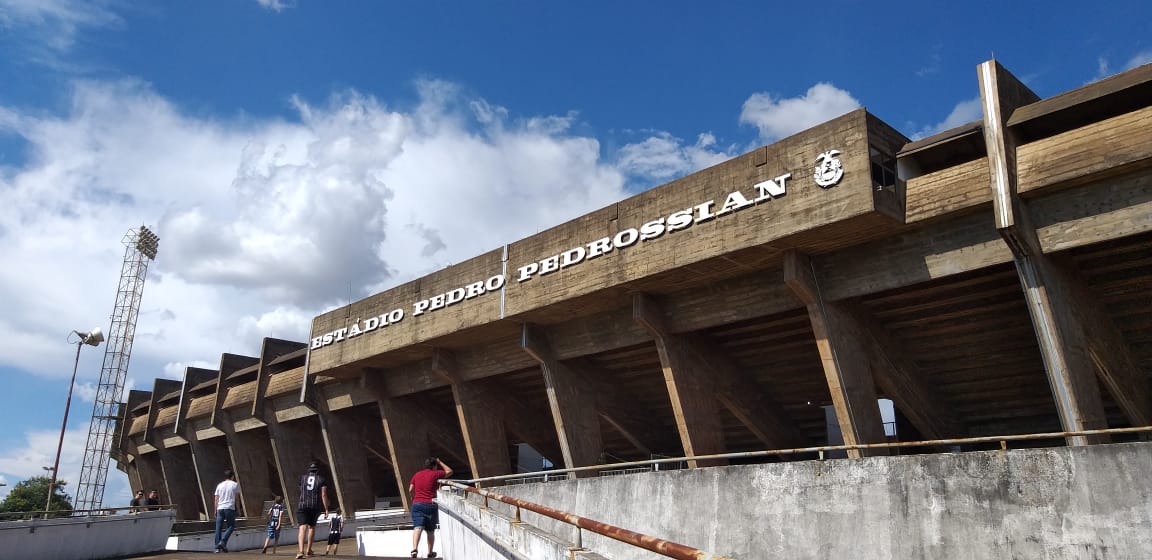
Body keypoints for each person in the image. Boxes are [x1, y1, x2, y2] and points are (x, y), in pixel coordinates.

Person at [408, 457, 452, 559]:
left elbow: (410, 489)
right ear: (434, 466)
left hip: (417, 504)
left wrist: (413, 498)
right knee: (430, 531)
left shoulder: (417, 474)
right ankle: (430, 552)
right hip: (430, 504)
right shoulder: (435, 474)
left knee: (417, 527)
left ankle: (414, 549)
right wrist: (440, 461)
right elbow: (450, 471)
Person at [295, 461, 329, 559]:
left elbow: (301, 489)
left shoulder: (302, 478)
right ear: (317, 471)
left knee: (302, 527)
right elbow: (323, 494)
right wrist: (326, 509)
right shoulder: (321, 480)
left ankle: (300, 551)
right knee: (312, 527)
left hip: (302, 505)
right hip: (315, 506)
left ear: (309, 470)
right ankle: (309, 550)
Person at [213, 469, 241, 554]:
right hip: (229, 508)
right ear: (232, 476)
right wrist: (239, 510)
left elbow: (216, 499)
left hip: (220, 508)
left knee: (218, 528)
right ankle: (223, 542)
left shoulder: (219, 485)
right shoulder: (235, 485)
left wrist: (215, 510)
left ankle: (217, 548)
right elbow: (237, 499)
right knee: (231, 526)